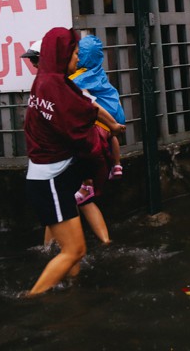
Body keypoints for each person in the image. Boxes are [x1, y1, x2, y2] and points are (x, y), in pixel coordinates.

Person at [24, 27, 103, 295]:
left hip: (51, 178)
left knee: (74, 251)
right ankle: (30, 300)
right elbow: (78, 121)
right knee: (75, 250)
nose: (78, 58)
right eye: (75, 52)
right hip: (50, 182)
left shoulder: (46, 82)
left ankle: (72, 293)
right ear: (62, 53)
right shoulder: (52, 85)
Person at [23, 38, 120, 246]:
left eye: (36, 60)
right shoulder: (56, 84)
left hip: (69, 159)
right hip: (73, 157)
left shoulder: (64, 84)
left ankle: (55, 252)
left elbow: (92, 108)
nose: (34, 65)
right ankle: (97, 244)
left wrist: (112, 125)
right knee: (75, 203)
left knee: (62, 208)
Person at [70, 35, 126, 180]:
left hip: (103, 115)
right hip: (116, 109)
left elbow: (83, 96)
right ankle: (117, 165)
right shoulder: (98, 70)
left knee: (95, 145)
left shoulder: (80, 76)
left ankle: (90, 180)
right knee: (113, 137)